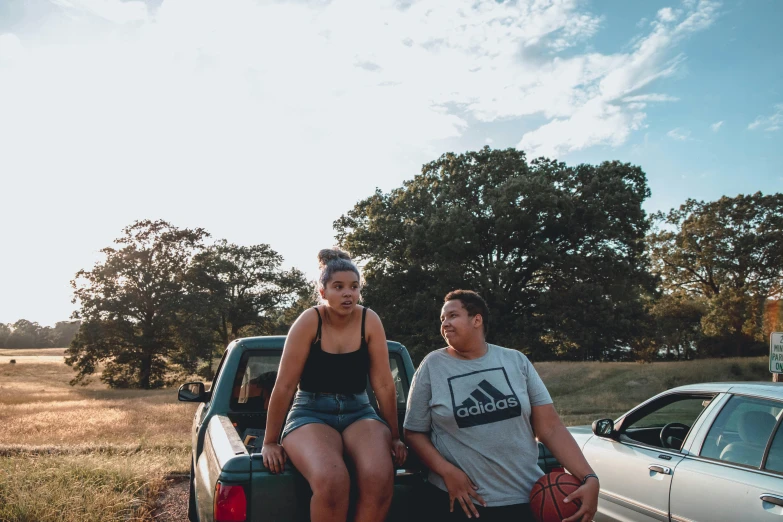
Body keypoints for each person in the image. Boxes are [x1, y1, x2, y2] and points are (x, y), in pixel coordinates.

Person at [404, 290, 599, 522]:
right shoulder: (432, 366)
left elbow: (550, 428)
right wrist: (446, 471)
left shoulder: (515, 361)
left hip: (526, 499)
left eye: (452, 316)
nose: (445, 323)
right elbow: (413, 432)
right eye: (442, 319)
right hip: (462, 502)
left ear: (477, 319)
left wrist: (589, 477)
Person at [262, 248, 407, 522]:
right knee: (332, 480)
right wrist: (270, 440)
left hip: (359, 410)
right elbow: (284, 386)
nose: (347, 294)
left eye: (354, 287)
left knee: (380, 476)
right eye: (338, 287)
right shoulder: (309, 321)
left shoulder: (369, 320)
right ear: (323, 291)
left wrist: (396, 435)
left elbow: (384, 385)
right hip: (310, 412)